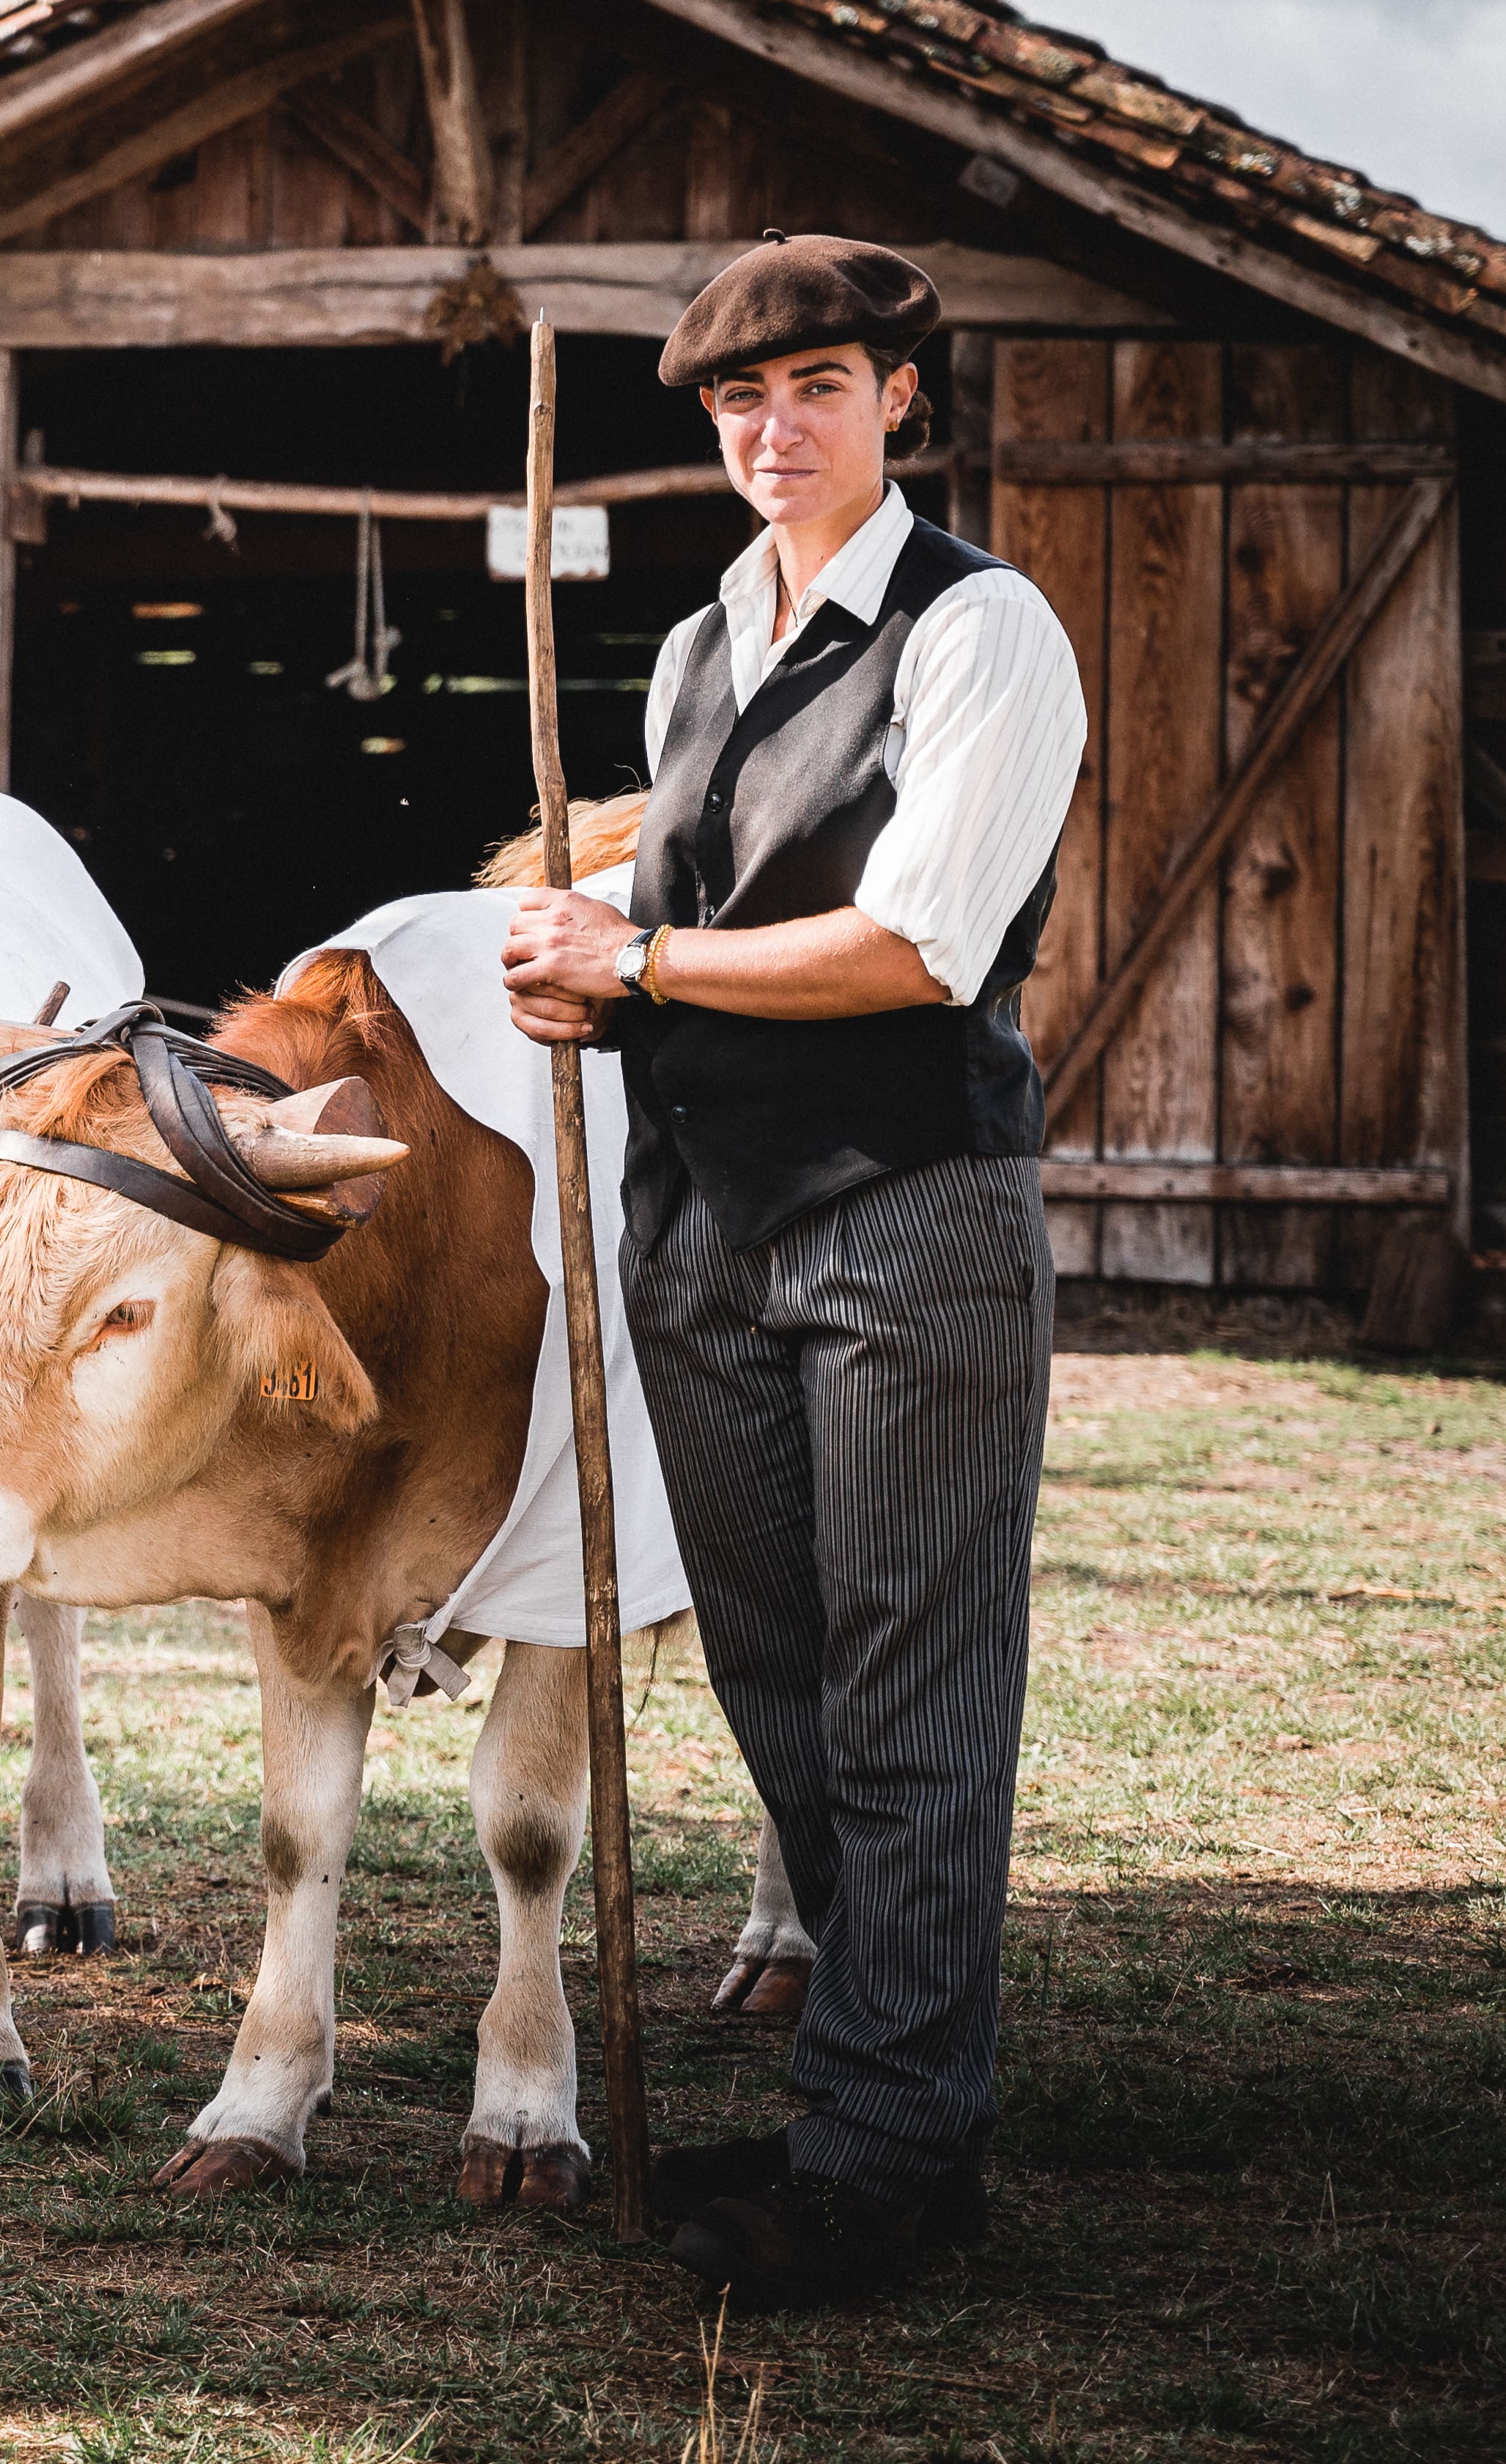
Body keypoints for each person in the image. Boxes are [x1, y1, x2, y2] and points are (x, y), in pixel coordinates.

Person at [498, 234, 1085, 2306]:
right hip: (704, 1229)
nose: (774, 430)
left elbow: (921, 950)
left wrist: (638, 960)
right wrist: (595, 1003)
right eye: (741, 403)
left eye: (816, 387)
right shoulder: (689, 653)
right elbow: (685, 937)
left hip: (910, 1212)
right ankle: (876, 2083)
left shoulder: (979, 631)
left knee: (915, 1690)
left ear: (900, 401)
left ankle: (892, 2164)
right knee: (777, 1681)